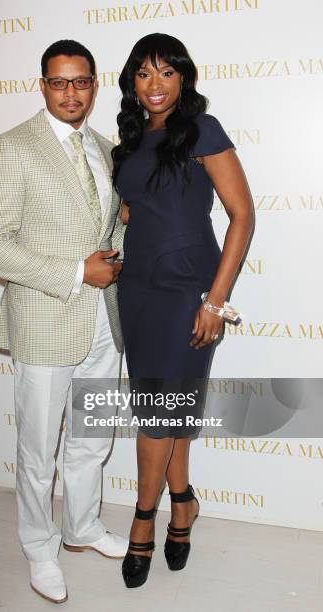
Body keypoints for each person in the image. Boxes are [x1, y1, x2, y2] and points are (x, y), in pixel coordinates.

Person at [0, 40, 127, 604]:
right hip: (44, 322)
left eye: (81, 81)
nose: (71, 92)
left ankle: (82, 526)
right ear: (42, 85)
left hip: (105, 326)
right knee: (39, 451)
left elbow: (106, 234)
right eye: (59, 82)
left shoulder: (108, 150)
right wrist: (74, 271)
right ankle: (40, 547)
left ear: (93, 84)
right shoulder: (13, 147)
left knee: (91, 438)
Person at [112, 33, 254, 588]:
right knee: (164, 408)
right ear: (132, 82)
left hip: (189, 291)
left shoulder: (203, 131)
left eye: (166, 73)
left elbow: (242, 216)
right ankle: (182, 502)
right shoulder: (127, 143)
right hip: (138, 290)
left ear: (183, 78)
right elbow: (131, 210)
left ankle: (142, 521)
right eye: (143, 74)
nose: (154, 85)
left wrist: (216, 301)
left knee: (157, 415)